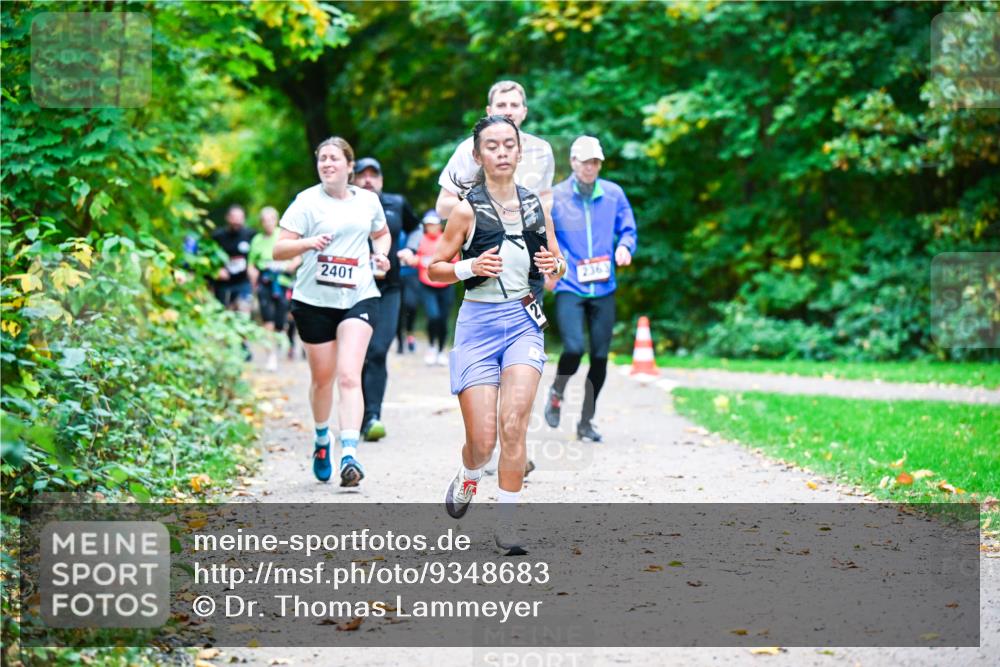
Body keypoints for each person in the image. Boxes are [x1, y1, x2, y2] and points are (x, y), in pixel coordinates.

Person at [429, 115, 566, 553]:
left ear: (519, 152)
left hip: (524, 323)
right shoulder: (465, 209)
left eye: (510, 144)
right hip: (478, 325)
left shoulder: (536, 207)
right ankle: (469, 474)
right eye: (493, 145)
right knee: (483, 440)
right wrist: (470, 267)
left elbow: (556, 267)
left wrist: (553, 269)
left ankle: (508, 526)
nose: (502, 152)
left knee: (514, 424)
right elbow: (434, 268)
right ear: (478, 155)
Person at [273, 137, 391, 487]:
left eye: (334, 158)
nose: (327, 164)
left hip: (359, 294)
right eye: (322, 159)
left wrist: (380, 254)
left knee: (348, 376)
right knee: (322, 380)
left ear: (349, 166)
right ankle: (323, 439)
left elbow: (381, 234)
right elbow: (279, 249)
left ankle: (350, 453)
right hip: (313, 300)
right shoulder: (306, 202)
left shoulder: (367, 201)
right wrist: (307, 243)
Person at [543, 136, 637, 443]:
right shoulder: (556, 196)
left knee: (599, 357)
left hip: (604, 286)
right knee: (573, 348)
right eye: (584, 162)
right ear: (572, 162)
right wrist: (548, 267)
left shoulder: (613, 194)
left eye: (595, 162)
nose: (590, 167)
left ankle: (586, 420)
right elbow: (543, 236)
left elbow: (628, 228)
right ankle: (557, 391)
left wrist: (625, 246)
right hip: (570, 283)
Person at [353, 157, 420, 442]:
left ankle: (372, 417)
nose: (368, 179)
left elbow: (416, 227)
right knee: (358, 356)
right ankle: (355, 414)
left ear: (381, 179)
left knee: (378, 351)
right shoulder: (345, 205)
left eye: (373, 175)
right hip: (353, 289)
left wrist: (411, 249)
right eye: (362, 175)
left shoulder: (396, 203)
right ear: (353, 178)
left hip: (389, 288)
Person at [435, 80, 555, 223]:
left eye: (515, 105)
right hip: (484, 240)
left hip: (530, 240)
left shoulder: (542, 149)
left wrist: (540, 223)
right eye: (501, 105)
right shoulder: (469, 149)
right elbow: (442, 208)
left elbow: (546, 195)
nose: (508, 111)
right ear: (489, 111)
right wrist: (490, 208)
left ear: (524, 112)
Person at [248, 206, 300, 371]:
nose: (267, 223)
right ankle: (271, 355)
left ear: (276, 220)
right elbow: (251, 264)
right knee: (267, 319)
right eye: (264, 220)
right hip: (265, 282)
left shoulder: (284, 236)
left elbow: (298, 257)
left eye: (271, 219)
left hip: (284, 282)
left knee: (282, 320)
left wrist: (289, 267)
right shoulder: (257, 240)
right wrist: (253, 281)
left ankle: (283, 345)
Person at [409, 211, 456, 365]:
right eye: (428, 225)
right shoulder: (420, 239)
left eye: (434, 224)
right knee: (433, 316)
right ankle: (431, 346)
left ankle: (441, 350)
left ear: (439, 225)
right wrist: (420, 260)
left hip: (446, 285)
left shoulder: (446, 238)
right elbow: (413, 258)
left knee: (443, 319)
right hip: (426, 284)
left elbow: (455, 261)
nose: (431, 227)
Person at [211, 204, 256, 313]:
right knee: (222, 313)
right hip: (223, 283)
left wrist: (254, 268)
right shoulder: (217, 236)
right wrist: (216, 271)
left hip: (243, 282)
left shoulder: (251, 235)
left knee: (243, 312)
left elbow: (259, 255)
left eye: (239, 218)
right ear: (227, 218)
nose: (236, 221)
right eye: (233, 218)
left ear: (244, 219)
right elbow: (207, 257)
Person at [395, 225, 420, 355]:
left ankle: (410, 333)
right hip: (396, 275)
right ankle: (400, 341)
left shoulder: (414, 230)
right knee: (398, 309)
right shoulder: (392, 227)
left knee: (411, 305)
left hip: (412, 274)